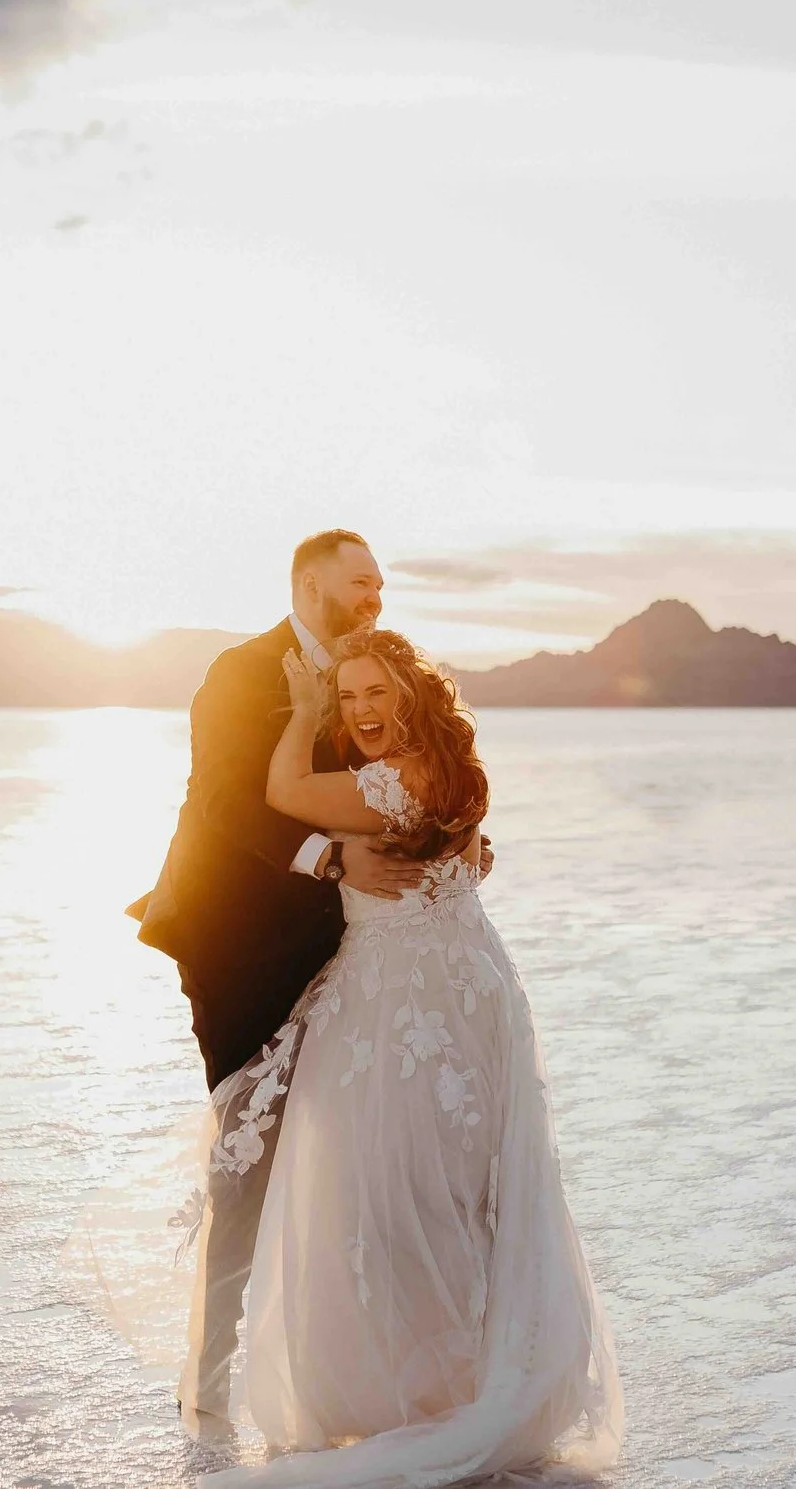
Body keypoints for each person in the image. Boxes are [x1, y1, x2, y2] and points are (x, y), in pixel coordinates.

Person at [179, 626, 621, 1487]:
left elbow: (278, 789)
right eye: (348, 697)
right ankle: (454, 1374)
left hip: (407, 1011)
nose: (361, 709)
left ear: (414, 695)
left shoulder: (394, 781)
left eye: (376, 693)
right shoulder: (453, 772)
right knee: (449, 1197)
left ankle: (415, 1393)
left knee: (389, 1200)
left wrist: (303, 712)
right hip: (470, 995)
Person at [130, 530, 434, 1414]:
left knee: (356, 1152)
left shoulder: (369, 674)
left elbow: (401, 780)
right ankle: (212, 1377)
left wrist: (445, 839)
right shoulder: (241, 672)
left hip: (349, 945)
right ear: (309, 582)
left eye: (381, 584)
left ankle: (334, 1365)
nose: (376, 596)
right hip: (237, 945)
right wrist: (331, 862)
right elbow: (222, 800)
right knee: (247, 1156)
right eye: (360, 582)